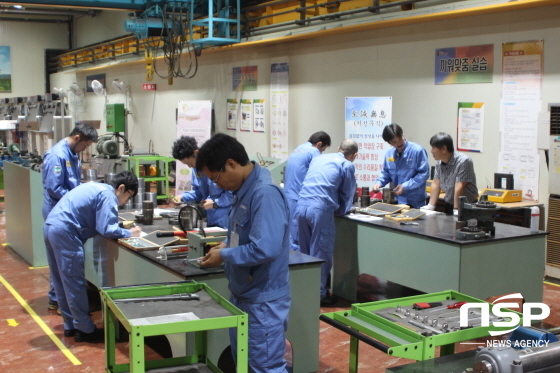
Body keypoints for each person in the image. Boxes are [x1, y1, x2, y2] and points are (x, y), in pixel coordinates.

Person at [195, 133, 291, 373]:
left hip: (262, 302)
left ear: (231, 164)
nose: (217, 185)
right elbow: (245, 237)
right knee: (246, 365)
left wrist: (225, 256)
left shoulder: (264, 194)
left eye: (216, 179)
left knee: (265, 367)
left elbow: (265, 248)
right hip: (244, 295)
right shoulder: (243, 192)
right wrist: (225, 248)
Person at [43, 171, 142, 342]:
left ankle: (70, 326)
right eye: (129, 197)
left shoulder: (97, 187)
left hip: (51, 226)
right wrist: (130, 232)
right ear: (122, 188)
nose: (126, 202)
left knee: (60, 280)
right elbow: (107, 229)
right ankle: (85, 330)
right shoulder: (108, 195)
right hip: (66, 233)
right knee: (74, 283)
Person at [41, 122, 98, 312]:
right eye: (85, 145)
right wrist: (79, 198)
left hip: (67, 210)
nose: (85, 149)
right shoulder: (58, 155)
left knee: (60, 260)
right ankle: (60, 301)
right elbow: (54, 188)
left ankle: (57, 298)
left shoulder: (72, 154)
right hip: (57, 211)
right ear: (77, 138)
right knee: (62, 260)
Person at [295, 139, 358, 306]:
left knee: (304, 252)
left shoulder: (318, 158)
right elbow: (347, 193)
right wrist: (342, 211)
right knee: (320, 254)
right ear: (354, 156)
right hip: (320, 210)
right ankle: (320, 295)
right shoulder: (347, 165)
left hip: (301, 207)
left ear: (338, 148)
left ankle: (304, 290)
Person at [171, 136, 233, 229]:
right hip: (209, 219)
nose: (190, 166)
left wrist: (215, 203)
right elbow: (199, 192)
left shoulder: (217, 166)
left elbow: (232, 194)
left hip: (225, 220)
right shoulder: (196, 170)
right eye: (186, 164)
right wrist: (182, 197)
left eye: (190, 163)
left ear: (196, 153)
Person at [283, 131, 331, 251]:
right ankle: (302, 268)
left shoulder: (298, 148)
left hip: (288, 196)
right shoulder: (314, 152)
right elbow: (319, 174)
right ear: (319, 144)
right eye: (323, 149)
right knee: (298, 237)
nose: (321, 152)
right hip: (301, 198)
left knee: (290, 234)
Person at [373, 124, 429, 208]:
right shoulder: (389, 154)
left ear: (403, 134)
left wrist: (405, 186)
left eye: (400, 139)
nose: (399, 143)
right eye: (394, 142)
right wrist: (379, 183)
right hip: (397, 201)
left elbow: (424, 174)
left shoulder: (417, 151)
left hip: (416, 202)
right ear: (389, 142)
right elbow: (386, 173)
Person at [422, 132, 478, 215]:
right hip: (449, 204)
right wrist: (431, 206)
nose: (431, 151)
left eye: (433, 148)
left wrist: (456, 209)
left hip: (466, 206)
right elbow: (436, 184)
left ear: (444, 149)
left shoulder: (464, 161)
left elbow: (459, 186)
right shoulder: (439, 161)